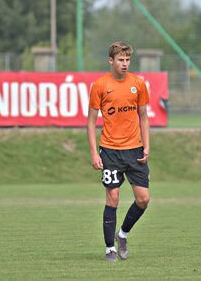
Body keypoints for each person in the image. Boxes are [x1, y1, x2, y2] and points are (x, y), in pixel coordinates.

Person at [87, 41, 150, 262]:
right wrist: (94, 153)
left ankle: (122, 235)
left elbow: (143, 116)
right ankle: (109, 249)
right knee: (112, 198)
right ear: (111, 61)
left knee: (143, 199)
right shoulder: (100, 85)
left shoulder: (138, 84)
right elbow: (91, 122)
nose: (124, 64)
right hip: (110, 151)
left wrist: (147, 145)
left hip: (135, 150)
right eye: (120, 60)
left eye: (127, 60)